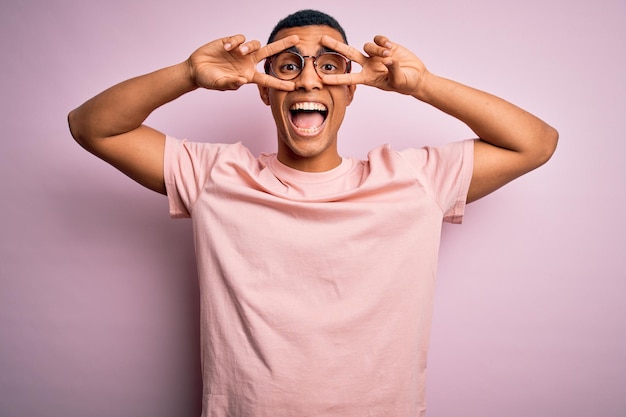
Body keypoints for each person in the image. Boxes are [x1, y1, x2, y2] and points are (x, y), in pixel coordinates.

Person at [68, 9, 557, 417]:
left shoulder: (413, 180)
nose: (307, 80)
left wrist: (422, 85)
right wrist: (187, 74)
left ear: (351, 88)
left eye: (328, 66)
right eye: (287, 66)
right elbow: (91, 127)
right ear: (262, 88)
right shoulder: (217, 175)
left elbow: (536, 143)